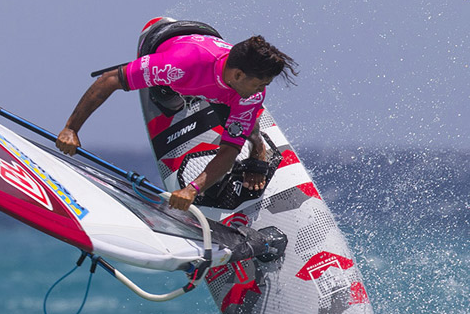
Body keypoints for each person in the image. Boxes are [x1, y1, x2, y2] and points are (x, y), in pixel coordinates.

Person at [56, 32, 297, 210]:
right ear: (238, 75)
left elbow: (229, 150)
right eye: (258, 83)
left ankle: (258, 147)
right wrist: (71, 129)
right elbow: (109, 80)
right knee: (168, 101)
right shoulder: (177, 66)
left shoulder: (250, 91)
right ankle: (183, 97)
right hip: (166, 43)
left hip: (214, 51)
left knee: (247, 121)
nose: (261, 90)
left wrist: (192, 189)